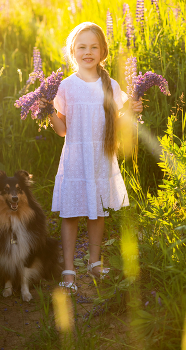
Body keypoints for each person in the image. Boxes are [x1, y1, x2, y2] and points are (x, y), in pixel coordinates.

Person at [39, 22, 143, 294]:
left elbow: (118, 122)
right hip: (75, 158)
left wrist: (132, 110)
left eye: (93, 47)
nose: (88, 52)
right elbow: (62, 130)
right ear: (73, 52)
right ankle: (69, 269)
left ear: (103, 51)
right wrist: (47, 108)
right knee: (71, 214)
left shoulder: (111, 85)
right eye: (82, 47)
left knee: (97, 214)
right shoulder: (66, 87)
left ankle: (95, 263)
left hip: (100, 157)